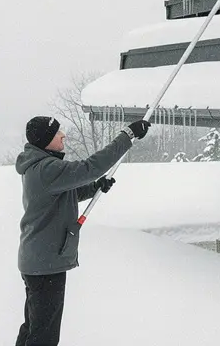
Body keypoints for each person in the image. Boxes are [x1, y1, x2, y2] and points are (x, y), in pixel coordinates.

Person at [14, 115, 151, 346]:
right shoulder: (47, 168)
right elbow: (90, 167)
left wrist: (94, 187)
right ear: (47, 140)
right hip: (45, 265)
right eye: (57, 133)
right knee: (43, 336)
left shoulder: (38, 166)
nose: (63, 135)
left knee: (34, 328)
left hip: (38, 261)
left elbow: (65, 195)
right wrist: (126, 136)